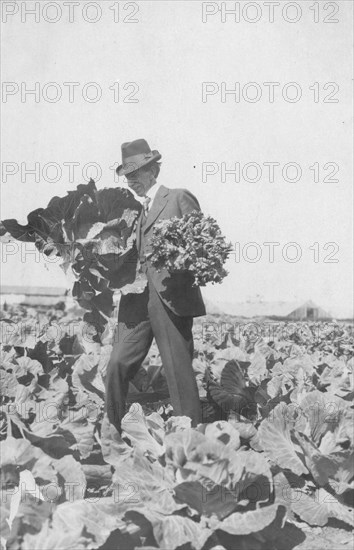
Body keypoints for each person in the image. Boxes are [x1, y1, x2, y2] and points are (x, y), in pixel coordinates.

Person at [105, 138, 206, 432]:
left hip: (170, 298)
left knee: (177, 371)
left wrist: (180, 259)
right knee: (117, 364)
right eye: (127, 176)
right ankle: (112, 429)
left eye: (135, 173)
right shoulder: (133, 214)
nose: (131, 180)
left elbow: (201, 243)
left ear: (152, 171)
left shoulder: (177, 198)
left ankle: (189, 437)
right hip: (136, 301)